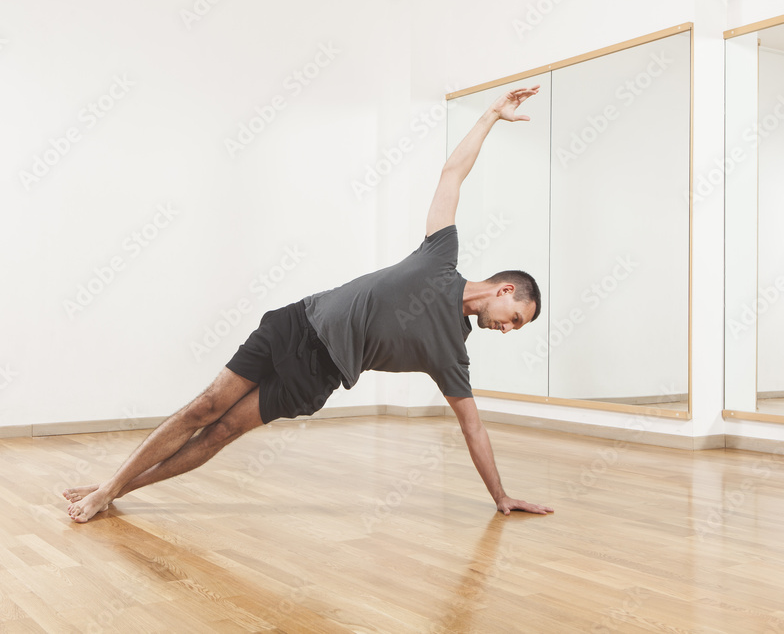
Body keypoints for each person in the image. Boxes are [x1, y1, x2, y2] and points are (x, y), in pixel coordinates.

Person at [64, 85, 554, 523]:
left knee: (220, 432)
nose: (508, 329)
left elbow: (474, 430)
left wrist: (501, 496)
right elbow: (452, 174)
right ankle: (110, 486)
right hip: (296, 323)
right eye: (514, 319)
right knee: (205, 407)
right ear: (504, 290)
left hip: (317, 374)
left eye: (516, 328)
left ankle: (113, 491)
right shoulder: (441, 256)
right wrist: (491, 114)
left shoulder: (452, 355)